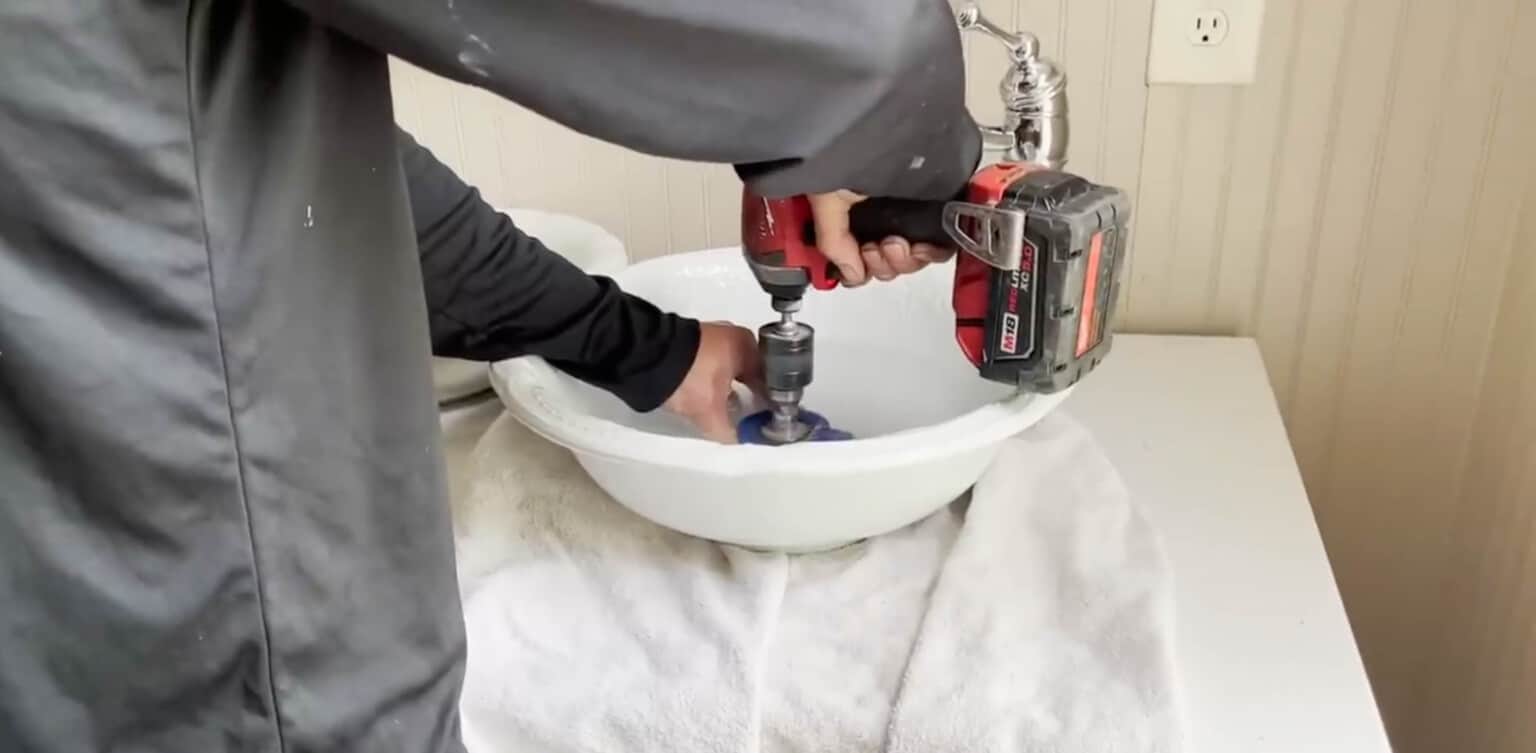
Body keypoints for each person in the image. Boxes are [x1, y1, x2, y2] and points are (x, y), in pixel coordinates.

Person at [0, 2, 981, 751]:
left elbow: (291, 162)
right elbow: (849, 40)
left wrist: (643, 346)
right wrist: (913, 149)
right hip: (229, 668)